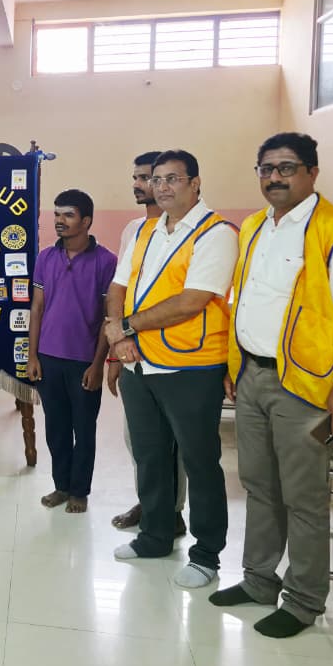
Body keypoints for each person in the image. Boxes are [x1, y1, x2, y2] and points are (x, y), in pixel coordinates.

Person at [211, 132, 333, 637]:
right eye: (266, 168)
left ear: (311, 173)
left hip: (306, 386)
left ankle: (305, 599)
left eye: (286, 168)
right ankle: (259, 580)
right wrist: (234, 364)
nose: (275, 177)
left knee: (303, 497)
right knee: (259, 485)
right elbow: (246, 299)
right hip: (253, 375)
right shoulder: (253, 227)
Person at [104, 150, 239, 589]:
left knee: (200, 461)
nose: (162, 187)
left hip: (191, 366)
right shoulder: (145, 230)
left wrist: (125, 326)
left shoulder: (216, 234)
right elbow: (118, 287)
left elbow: (192, 300)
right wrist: (120, 337)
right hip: (139, 363)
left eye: (172, 179)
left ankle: (206, 556)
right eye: (156, 179)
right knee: (150, 456)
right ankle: (155, 535)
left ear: (196, 183)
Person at [109, 151, 187, 536]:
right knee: (138, 437)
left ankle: (172, 511)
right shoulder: (132, 231)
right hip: (131, 349)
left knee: (173, 441)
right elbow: (120, 292)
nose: (140, 185)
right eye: (137, 177)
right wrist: (115, 348)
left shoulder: (192, 230)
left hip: (176, 351)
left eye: (148, 178)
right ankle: (151, 501)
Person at [27, 189, 116, 513]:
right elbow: (37, 308)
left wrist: (98, 366)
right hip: (48, 359)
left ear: (87, 221)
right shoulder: (45, 258)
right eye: (56, 214)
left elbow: (109, 317)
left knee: (84, 429)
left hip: (83, 363)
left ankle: (80, 490)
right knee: (56, 429)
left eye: (68, 215)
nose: (59, 221)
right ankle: (61, 486)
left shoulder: (106, 261)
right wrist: (32, 356)